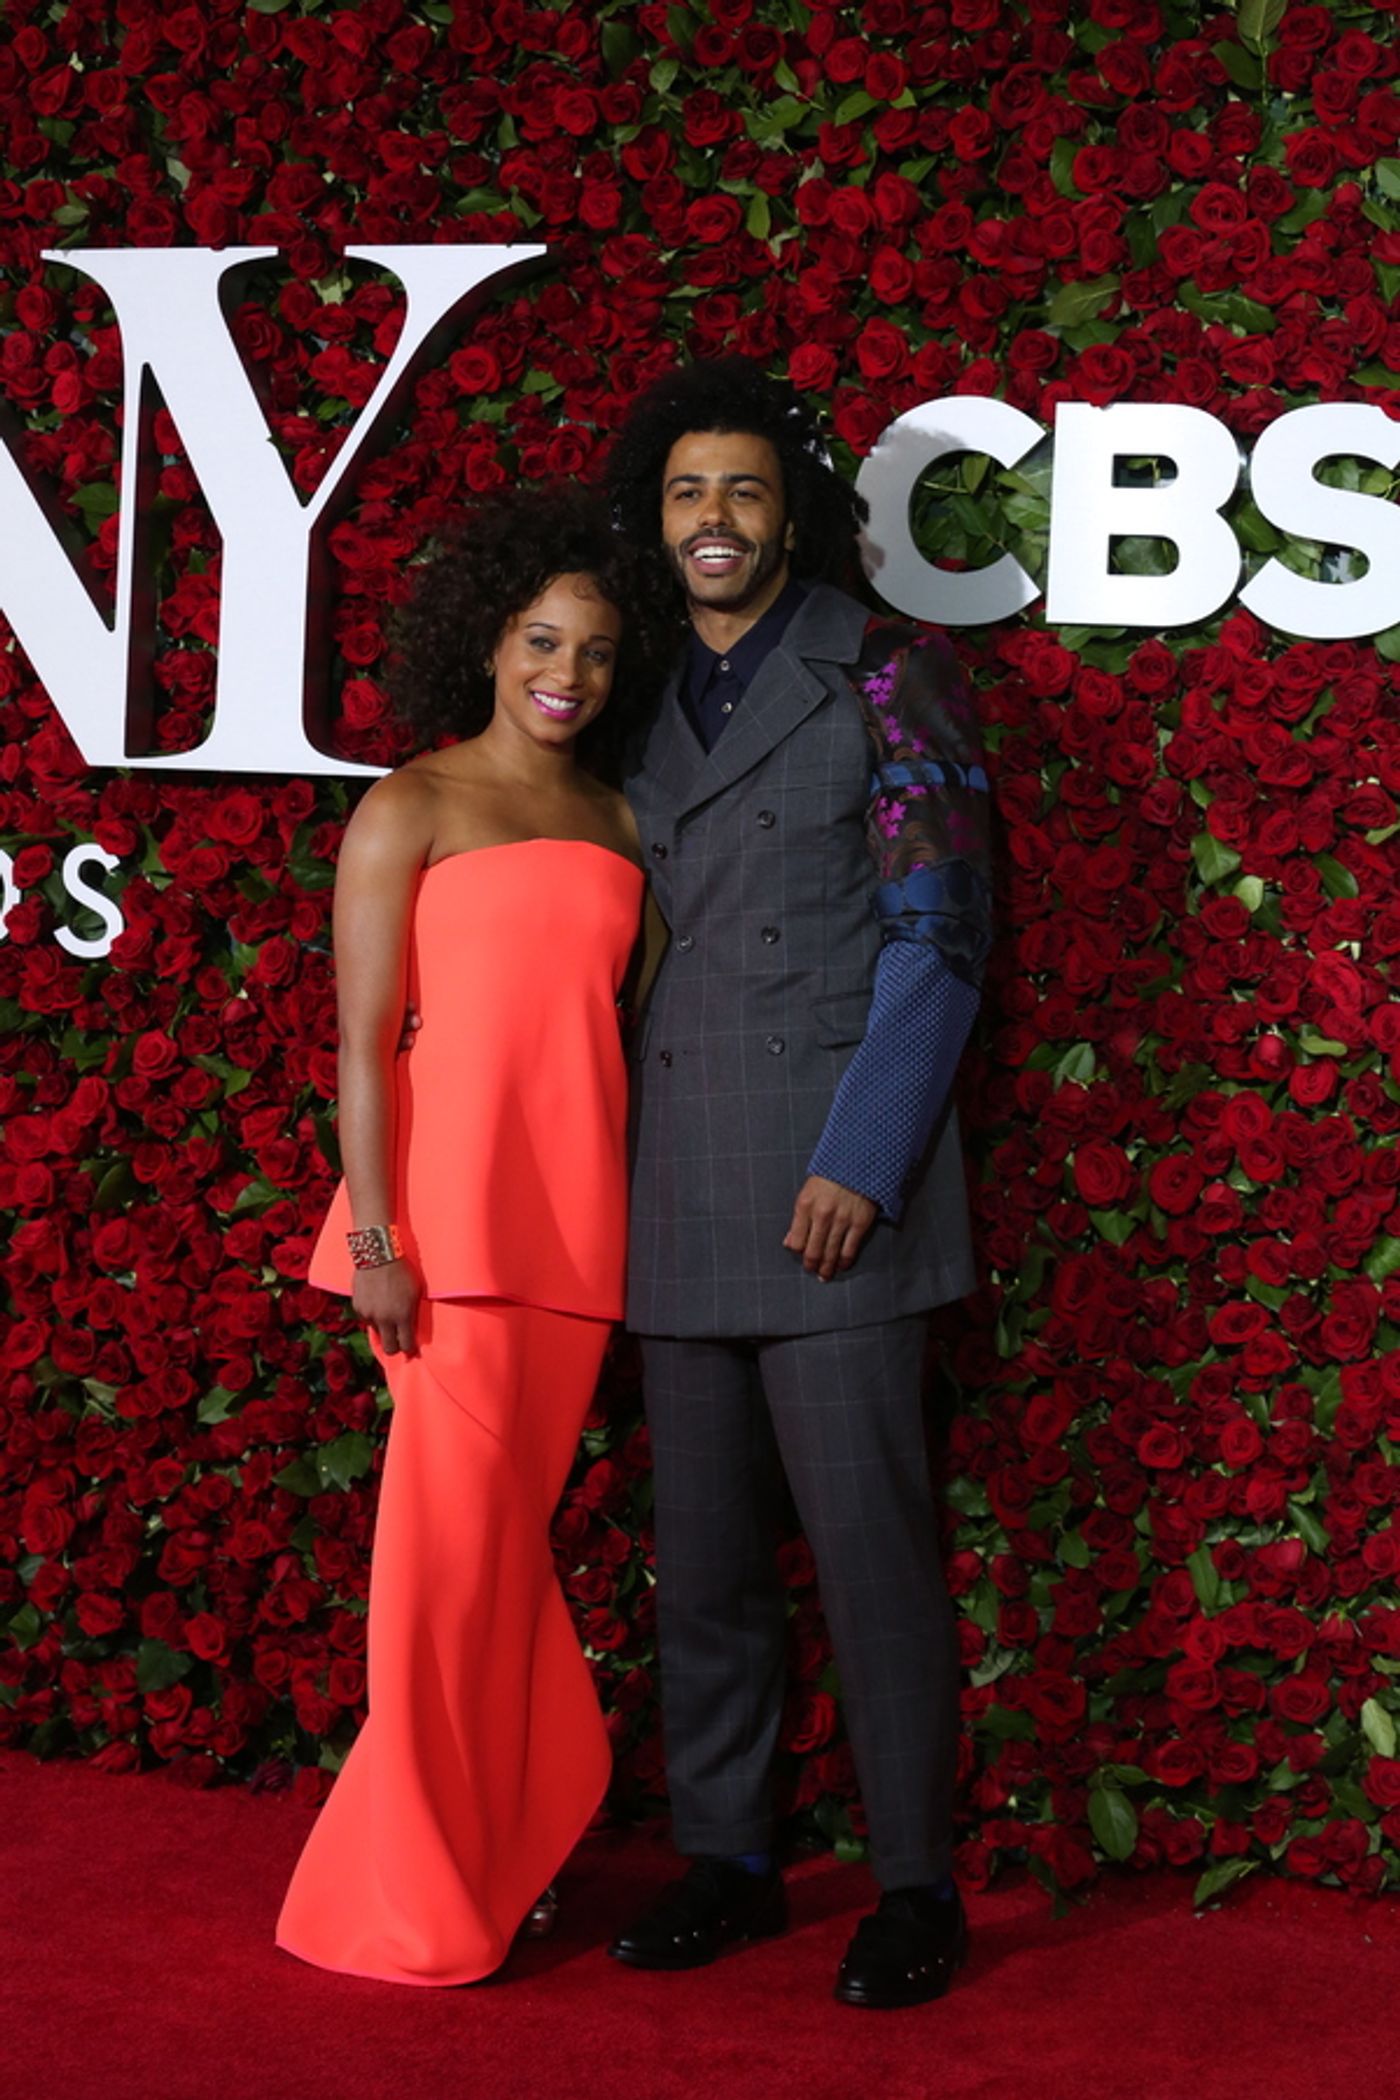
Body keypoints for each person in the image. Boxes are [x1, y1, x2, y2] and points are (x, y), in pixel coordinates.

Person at [602, 359, 993, 2009]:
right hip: (671, 1177)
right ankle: (731, 1859)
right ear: (659, 513)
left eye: (745, 491)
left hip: (835, 1183)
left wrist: (864, 1156)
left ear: (794, 510)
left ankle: (915, 1885)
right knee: (701, 1562)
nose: (715, 520)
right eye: (690, 492)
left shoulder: (886, 668)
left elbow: (946, 931)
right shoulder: (615, 687)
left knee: (872, 1554)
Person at [276, 486, 669, 1987]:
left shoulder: (622, 819)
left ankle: (497, 1842)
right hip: (434, 1242)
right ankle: (422, 1888)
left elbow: (610, 1042)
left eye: (595, 649)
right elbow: (364, 1044)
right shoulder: (413, 803)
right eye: (541, 641)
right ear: (491, 645)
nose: (567, 671)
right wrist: (378, 1234)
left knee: (503, 1558)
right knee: (444, 1570)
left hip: (573, 1240)